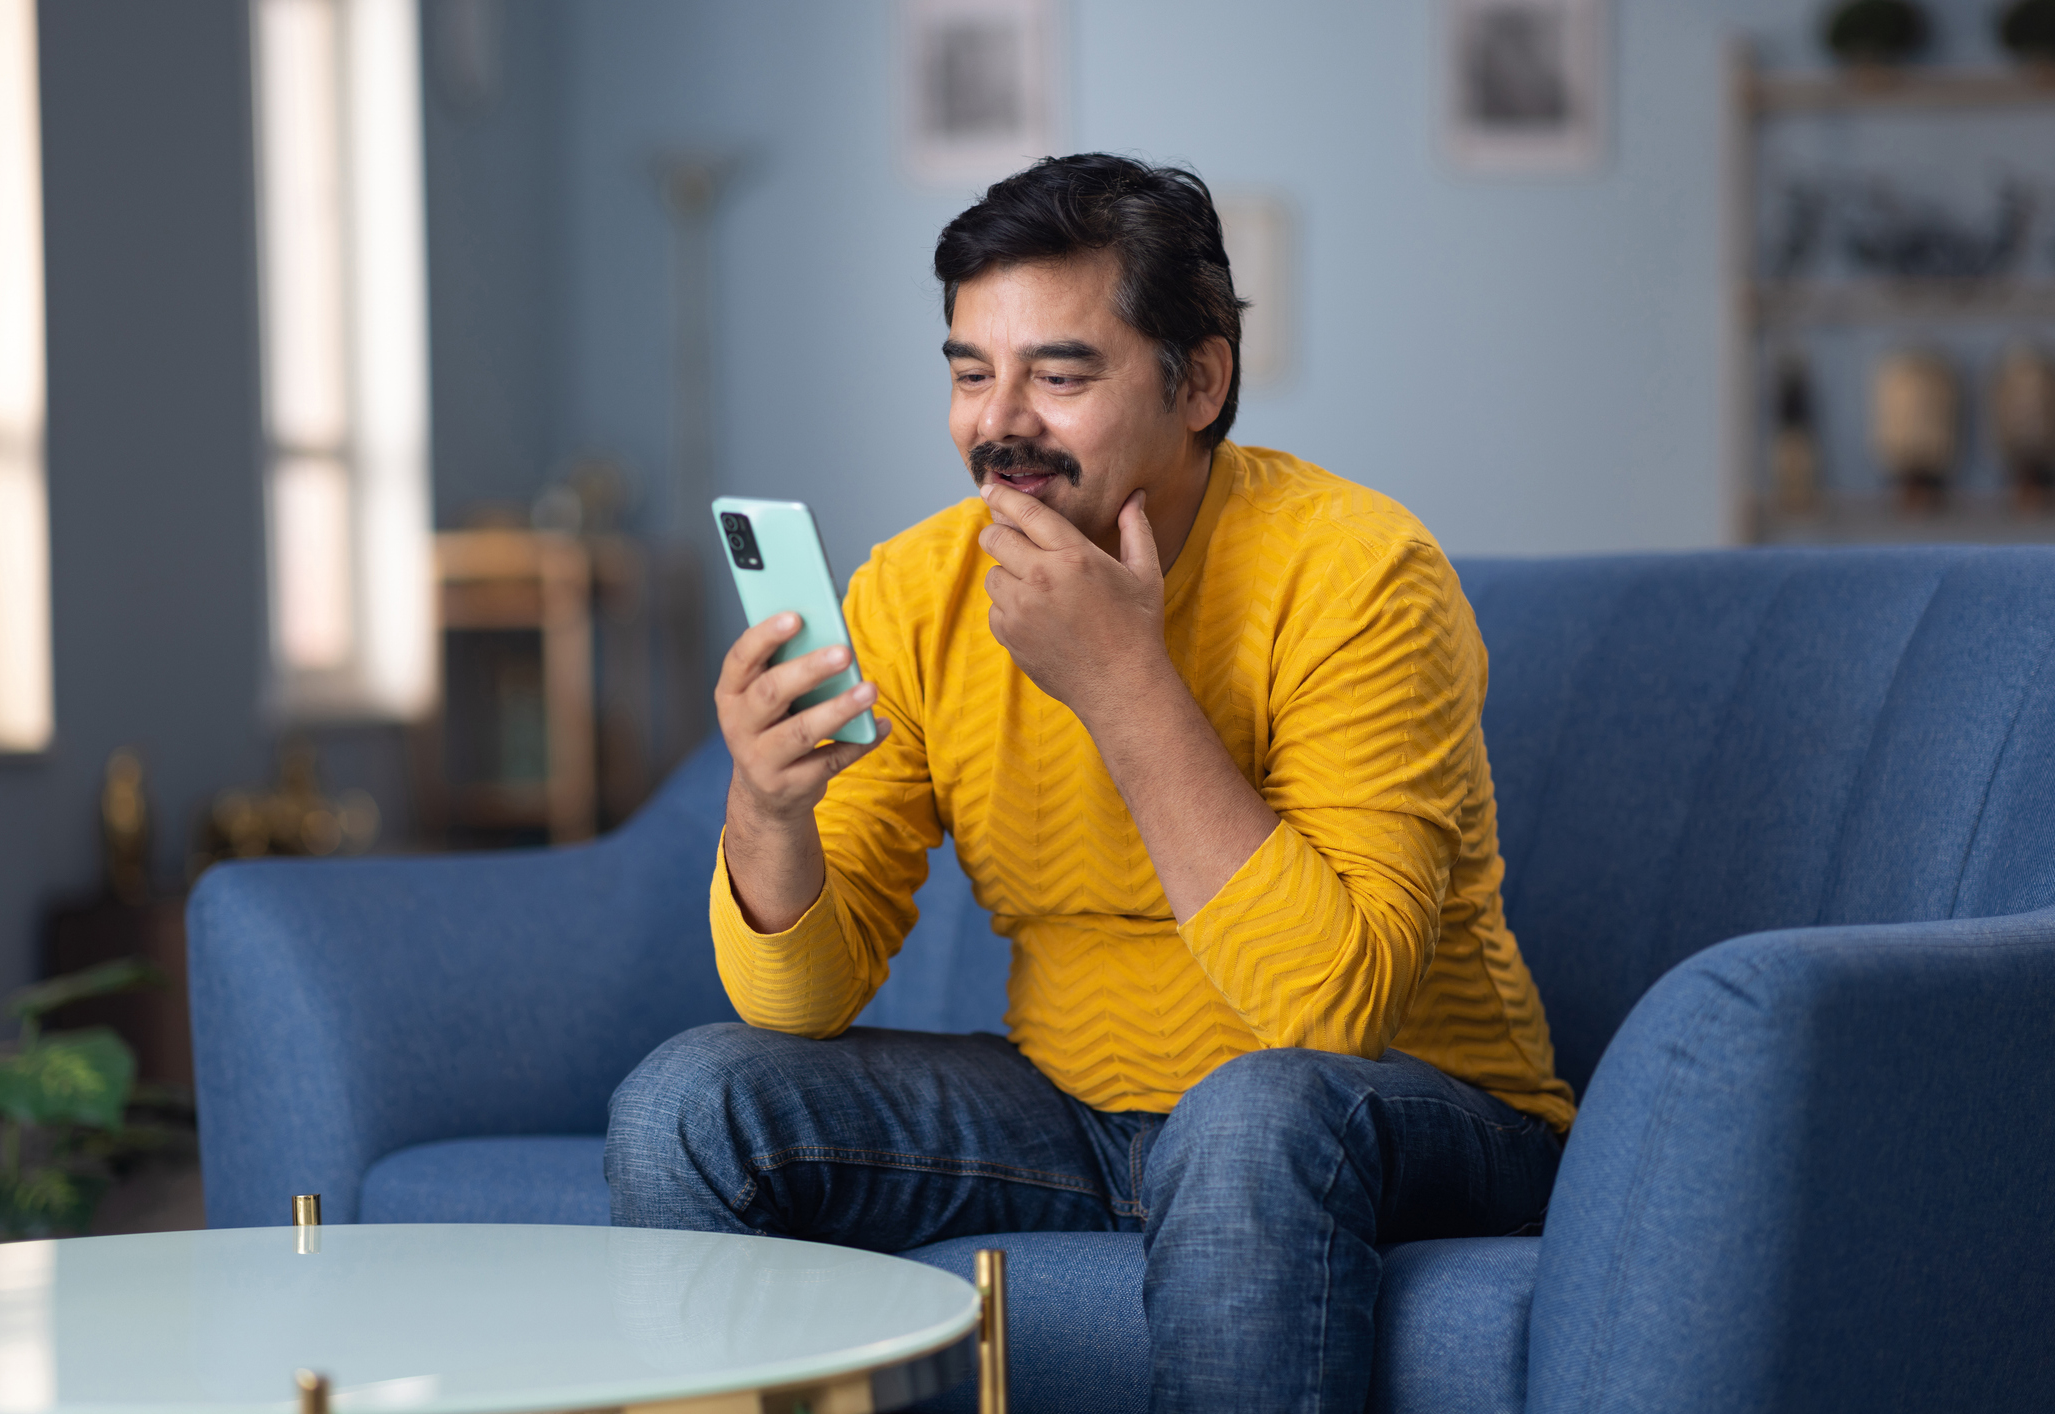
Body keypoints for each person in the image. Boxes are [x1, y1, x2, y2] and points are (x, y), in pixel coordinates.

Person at [605, 153, 1575, 1414]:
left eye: (1058, 375)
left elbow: (1330, 1011)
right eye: (968, 371)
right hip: (1080, 1111)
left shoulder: (1360, 573)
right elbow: (803, 1002)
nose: (998, 422)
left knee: (1249, 1117)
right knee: (691, 1099)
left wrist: (1123, 683)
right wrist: (767, 809)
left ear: (1201, 380)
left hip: (1414, 1107)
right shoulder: (916, 591)